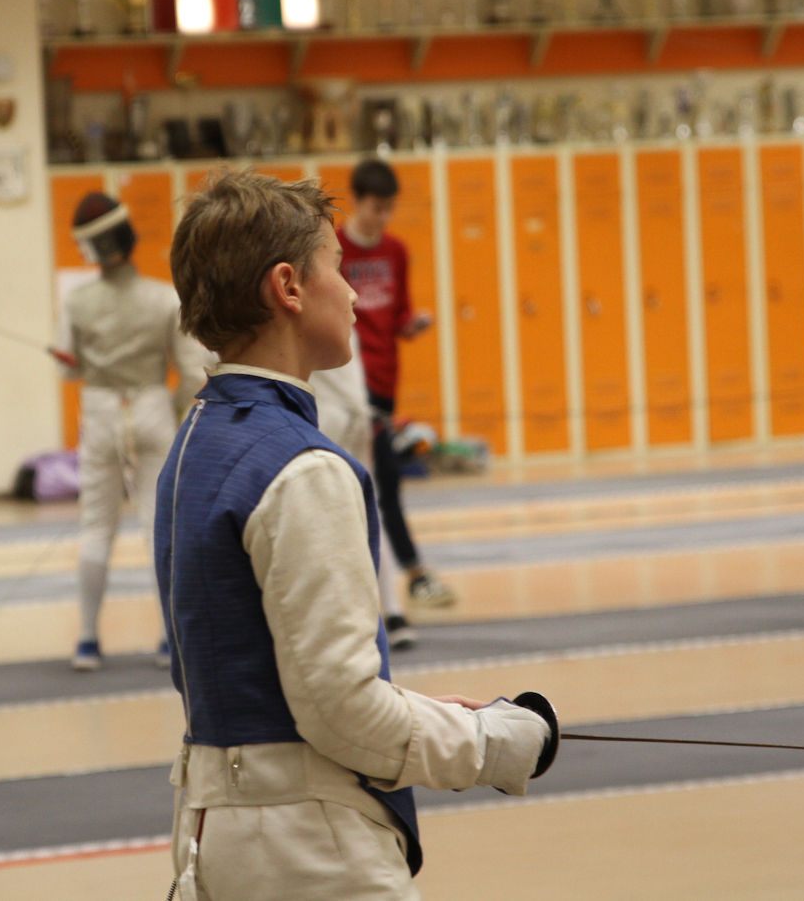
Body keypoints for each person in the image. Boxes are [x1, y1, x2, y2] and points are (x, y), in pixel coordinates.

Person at [156, 170, 556, 900]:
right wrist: (491, 742)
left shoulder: (197, 440)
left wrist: (427, 712)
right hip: (309, 847)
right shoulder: (302, 466)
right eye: (337, 267)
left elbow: (285, 676)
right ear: (288, 286)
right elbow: (341, 713)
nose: (352, 293)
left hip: (213, 831)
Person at [53, 192, 209, 672]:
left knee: (95, 528)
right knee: (158, 528)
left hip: (101, 413)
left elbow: (67, 370)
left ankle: (87, 642)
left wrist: (83, 363)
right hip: (152, 409)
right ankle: (167, 641)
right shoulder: (164, 297)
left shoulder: (77, 301)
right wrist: (173, 412)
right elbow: (192, 372)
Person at [338, 158, 456, 608]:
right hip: (349, 381)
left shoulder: (397, 251)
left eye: (389, 208)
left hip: (385, 379)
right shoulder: (334, 250)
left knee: (380, 480)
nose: (383, 217)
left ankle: (393, 580)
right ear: (357, 201)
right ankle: (411, 576)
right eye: (376, 208)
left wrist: (412, 324)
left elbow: (399, 312)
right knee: (380, 479)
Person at [309, 333, 415, 649]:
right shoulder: (342, 313)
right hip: (357, 414)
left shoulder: (293, 315)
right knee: (369, 512)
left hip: (328, 417)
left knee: (320, 518)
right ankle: (393, 613)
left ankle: (346, 618)